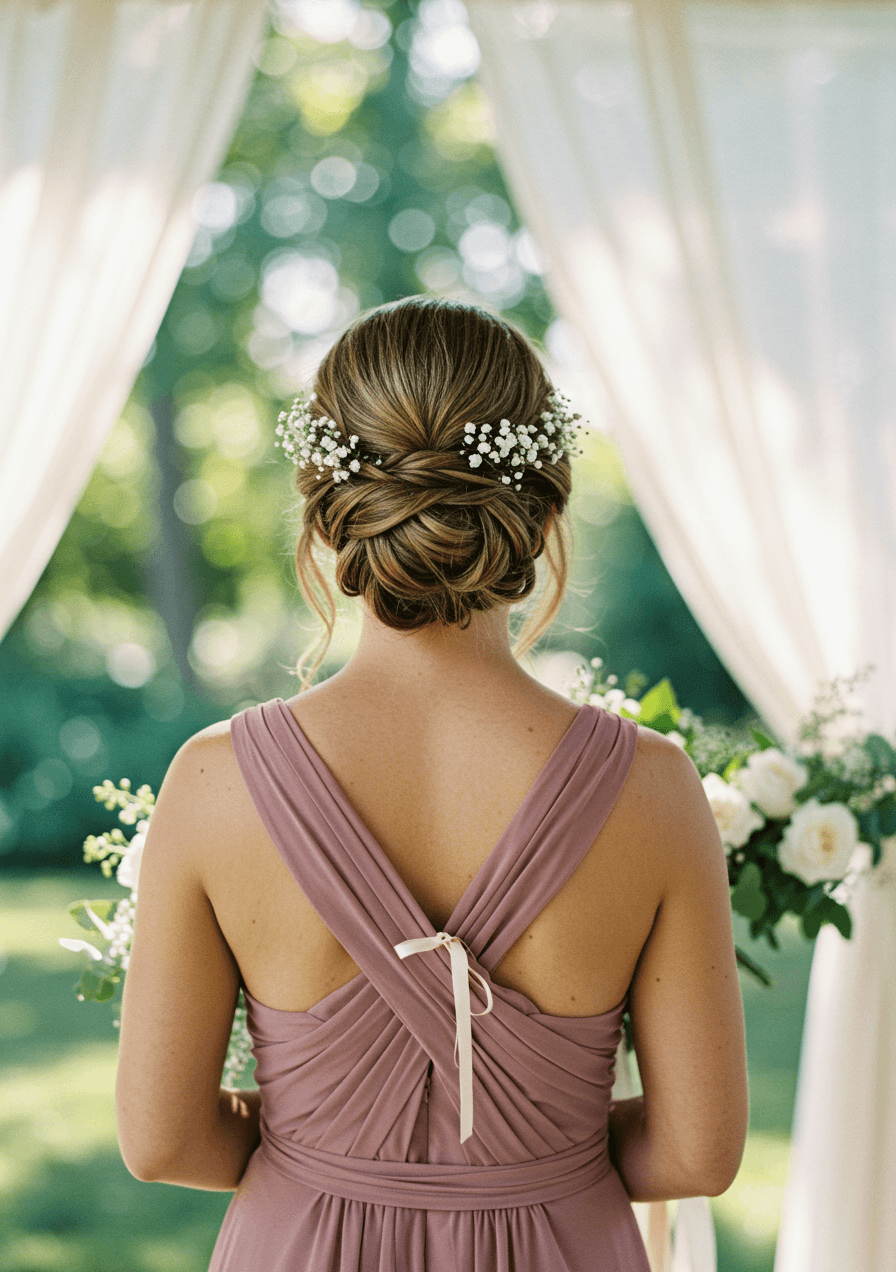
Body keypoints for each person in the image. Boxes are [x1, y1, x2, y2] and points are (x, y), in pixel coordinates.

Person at [115, 297, 748, 1271]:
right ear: (543, 507)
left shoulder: (214, 781)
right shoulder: (653, 788)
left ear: (326, 504)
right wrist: (538, 1154)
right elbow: (697, 1150)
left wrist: (327, 1154)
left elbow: (160, 1139)